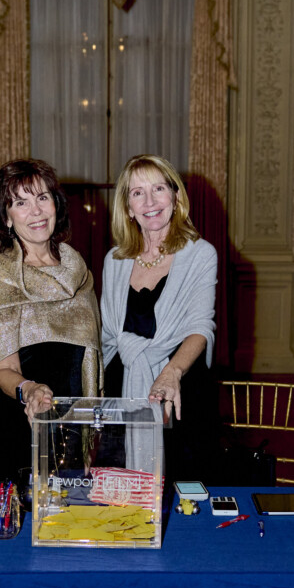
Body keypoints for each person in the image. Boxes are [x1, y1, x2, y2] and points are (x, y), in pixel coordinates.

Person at [0, 158, 102, 482]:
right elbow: (3, 369)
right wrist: (30, 391)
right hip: (18, 420)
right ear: (6, 217)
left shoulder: (77, 267)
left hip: (73, 420)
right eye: (21, 203)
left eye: (43, 197)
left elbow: (92, 353)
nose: (36, 211)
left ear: (55, 204)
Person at [101, 154, 217, 475]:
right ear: (128, 207)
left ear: (175, 197)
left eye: (159, 189)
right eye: (138, 193)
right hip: (122, 394)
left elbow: (200, 326)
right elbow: (107, 338)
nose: (150, 202)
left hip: (180, 391)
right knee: (120, 490)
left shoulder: (200, 254)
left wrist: (171, 373)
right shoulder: (114, 260)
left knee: (183, 489)